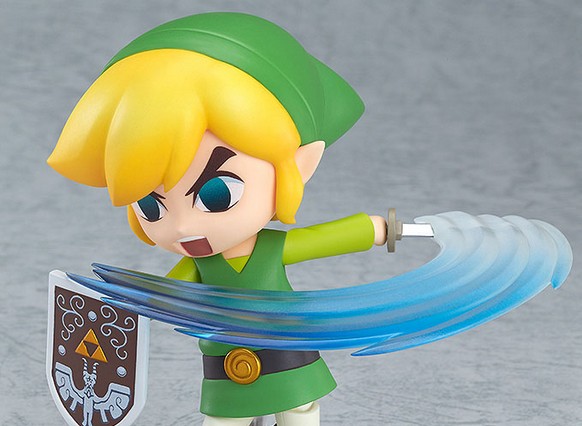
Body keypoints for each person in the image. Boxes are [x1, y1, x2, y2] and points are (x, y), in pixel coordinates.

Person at [48, 12, 387, 426]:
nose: (182, 227)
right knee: (226, 420)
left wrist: (375, 229)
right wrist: (126, 308)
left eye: (216, 194)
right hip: (225, 363)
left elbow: (325, 239)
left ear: (301, 164)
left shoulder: (270, 249)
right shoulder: (198, 267)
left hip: (286, 350)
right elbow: (164, 295)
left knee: (299, 409)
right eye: (151, 205)